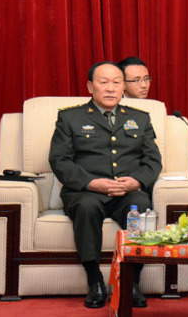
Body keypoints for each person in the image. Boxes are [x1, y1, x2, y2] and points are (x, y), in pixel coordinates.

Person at [49, 61, 162, 308]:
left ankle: (132, 282)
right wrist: (91, 183)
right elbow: (60, 161)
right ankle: (95, 281)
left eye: (116, 83)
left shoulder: (139, 119)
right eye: (104, 82)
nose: (110, 88)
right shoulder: (70, 117)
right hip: (86, 192)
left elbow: (153, 159)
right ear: (90, 86)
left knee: (141, 205)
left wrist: (137, 181)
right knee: (86, 207)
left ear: (123, 87)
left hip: (127, 192)